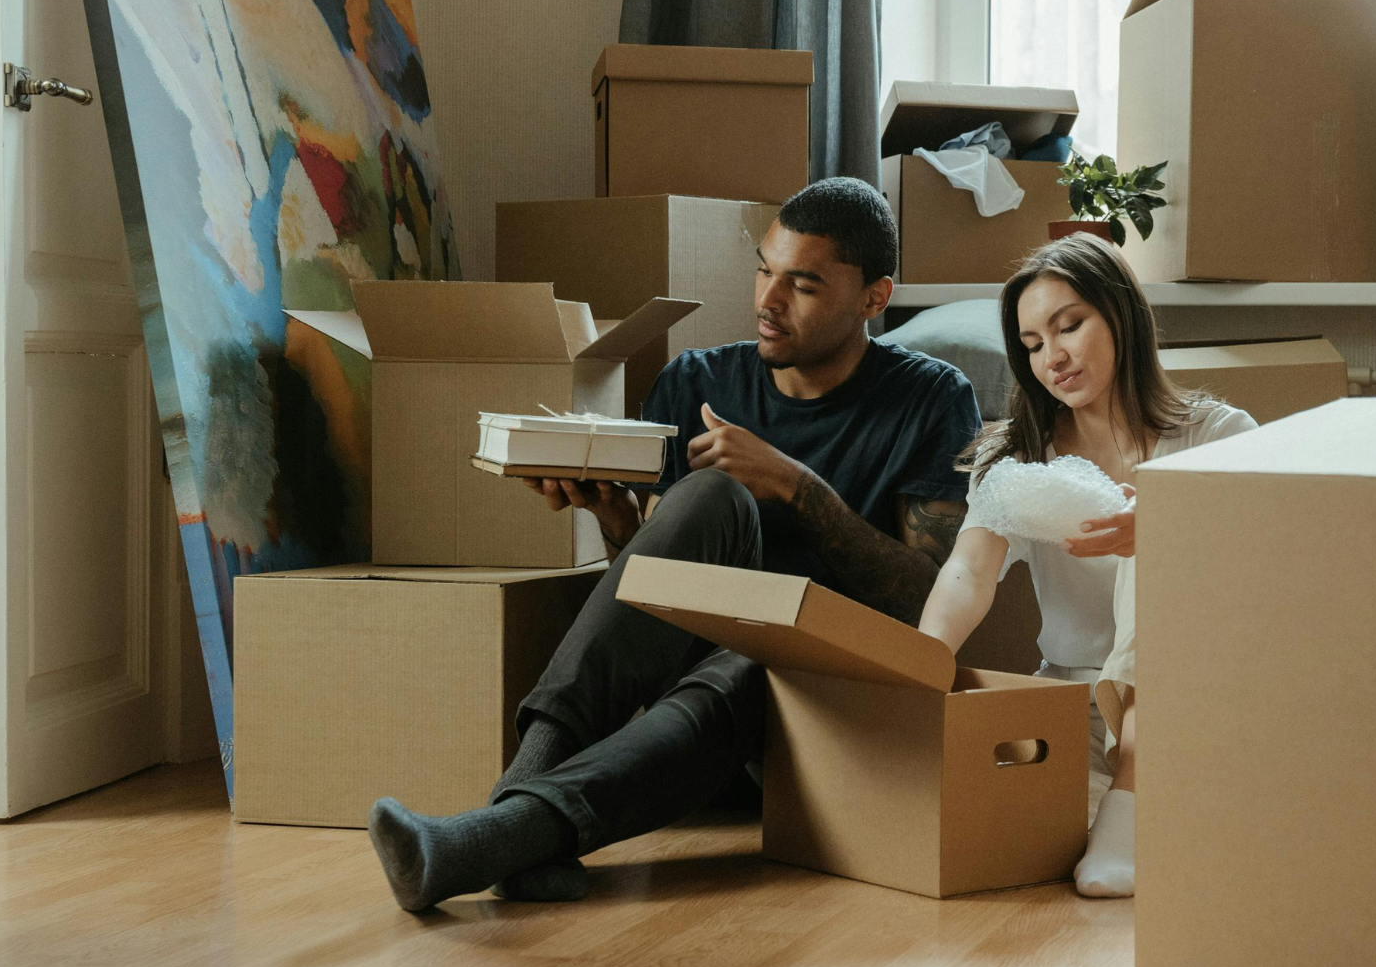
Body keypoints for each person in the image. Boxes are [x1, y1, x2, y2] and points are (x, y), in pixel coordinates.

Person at [368, 178, 982, 912]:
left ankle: (497, 833)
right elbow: (660, 597)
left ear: (874, 298)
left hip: (818, 715)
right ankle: (515, 821)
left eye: (804, 284)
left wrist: (796, 486)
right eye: (764, 269)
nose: (768, 300)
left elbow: (927, 603)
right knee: (711, 494)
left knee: (760, 652)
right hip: (676, 708)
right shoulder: (697, 381)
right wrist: (617, 522)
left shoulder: (933, 399)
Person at [915, 236, 1256, 898]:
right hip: (1073, 708)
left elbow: (1286, 555)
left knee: (1164, 516)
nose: (1054, 357)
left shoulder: (1217, 434)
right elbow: (968, 572)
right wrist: (919, 664)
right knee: (991, 830)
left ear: (1121, 314)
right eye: (1034, 343)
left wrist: (1164, 526)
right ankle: (1130, 808)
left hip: (1194, 701)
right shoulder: (1017, 460)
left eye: (1070, 325)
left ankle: (1136, 791)